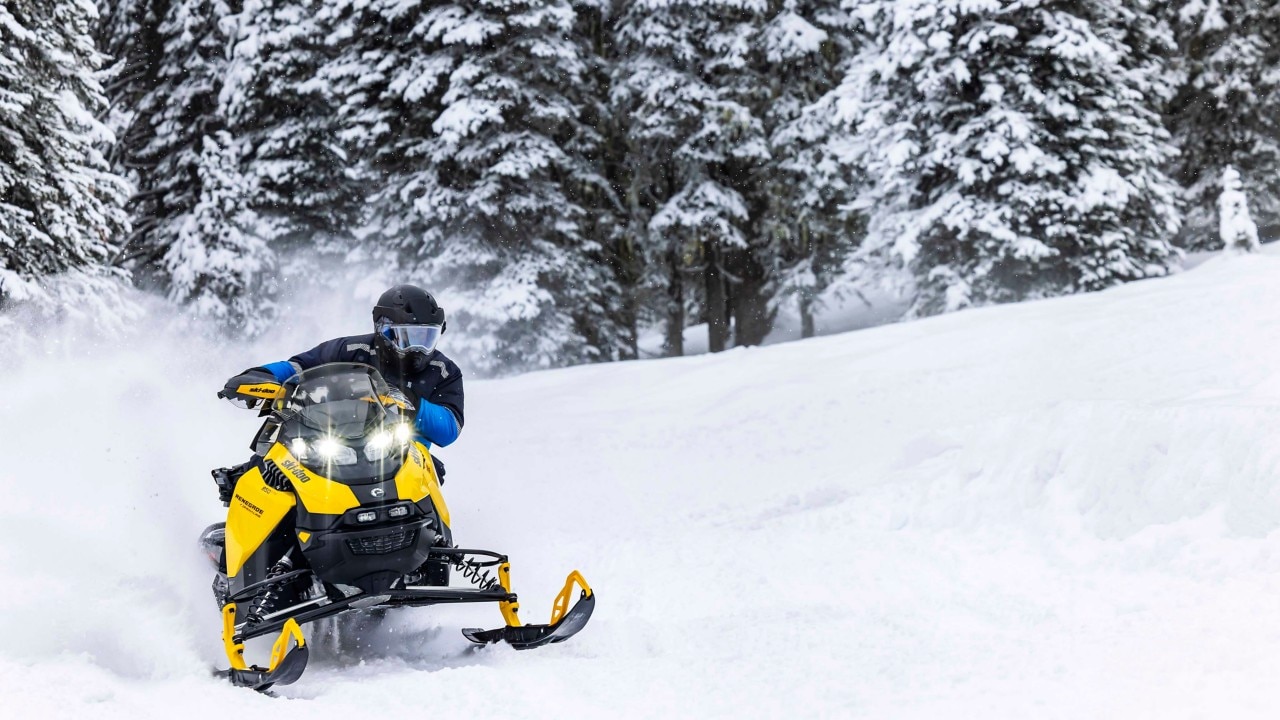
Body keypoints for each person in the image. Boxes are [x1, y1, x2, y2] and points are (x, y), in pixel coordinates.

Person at [212, 284, 463, 501]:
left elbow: (450, 427)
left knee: (432, 470)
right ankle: (252, 509)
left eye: (427, 338)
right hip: (333, 439)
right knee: (275, 458)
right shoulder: (352, 349)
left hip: (400, 449)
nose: (418, 349)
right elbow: (299, 366)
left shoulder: (443, 371)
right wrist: (262, 375)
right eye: (408, 338)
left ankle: (435, 539)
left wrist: (410, 404)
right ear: (383, 330)